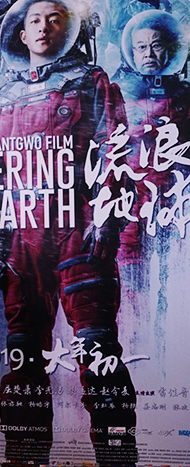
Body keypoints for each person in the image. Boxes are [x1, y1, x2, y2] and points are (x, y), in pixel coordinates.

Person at [0, 0, 138, 465]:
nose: (44, 27)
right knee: (22, 355)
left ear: (69, 29)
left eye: (54, 19)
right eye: (35, 20)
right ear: (21, 34)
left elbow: (115, 150)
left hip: (79, 226)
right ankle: (24, 455)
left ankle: (117, 453)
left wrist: (107, 217)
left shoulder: (92, 82)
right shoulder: (4, 96)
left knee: (97, 347)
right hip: (22, 237)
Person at [116, 10, 190, 362]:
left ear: (169, 49)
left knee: (176, 280)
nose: (148, 53)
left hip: (177, 204)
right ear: (131, 51)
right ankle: (137, 348)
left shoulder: (185, 95)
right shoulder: (117, 94)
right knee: (131, 279)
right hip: (131, 204)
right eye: (141, 46)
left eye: (156, 45)